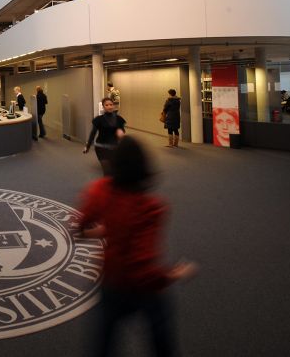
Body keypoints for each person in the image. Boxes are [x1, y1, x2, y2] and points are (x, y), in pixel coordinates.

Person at [74, 136, 198, 357]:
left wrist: (103, 230)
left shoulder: (99, 190)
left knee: (103, 342)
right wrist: (174, 274)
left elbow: (80, 227)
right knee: (161, 339)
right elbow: (142, 267)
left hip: (110, 277)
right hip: (143, 289)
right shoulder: (152, 208)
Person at [83, 98, 126, 175]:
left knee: (115, 171)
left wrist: (121, 132)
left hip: (114, 147)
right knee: (107, 171)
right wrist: (88, 146)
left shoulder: (119, 119)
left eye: (111, 104)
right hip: (101, 147)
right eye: (106, 105)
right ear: (103, 106)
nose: (109, 106)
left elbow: (122, 130)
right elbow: (93, 133)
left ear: (113, 106)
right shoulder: (99, 119)